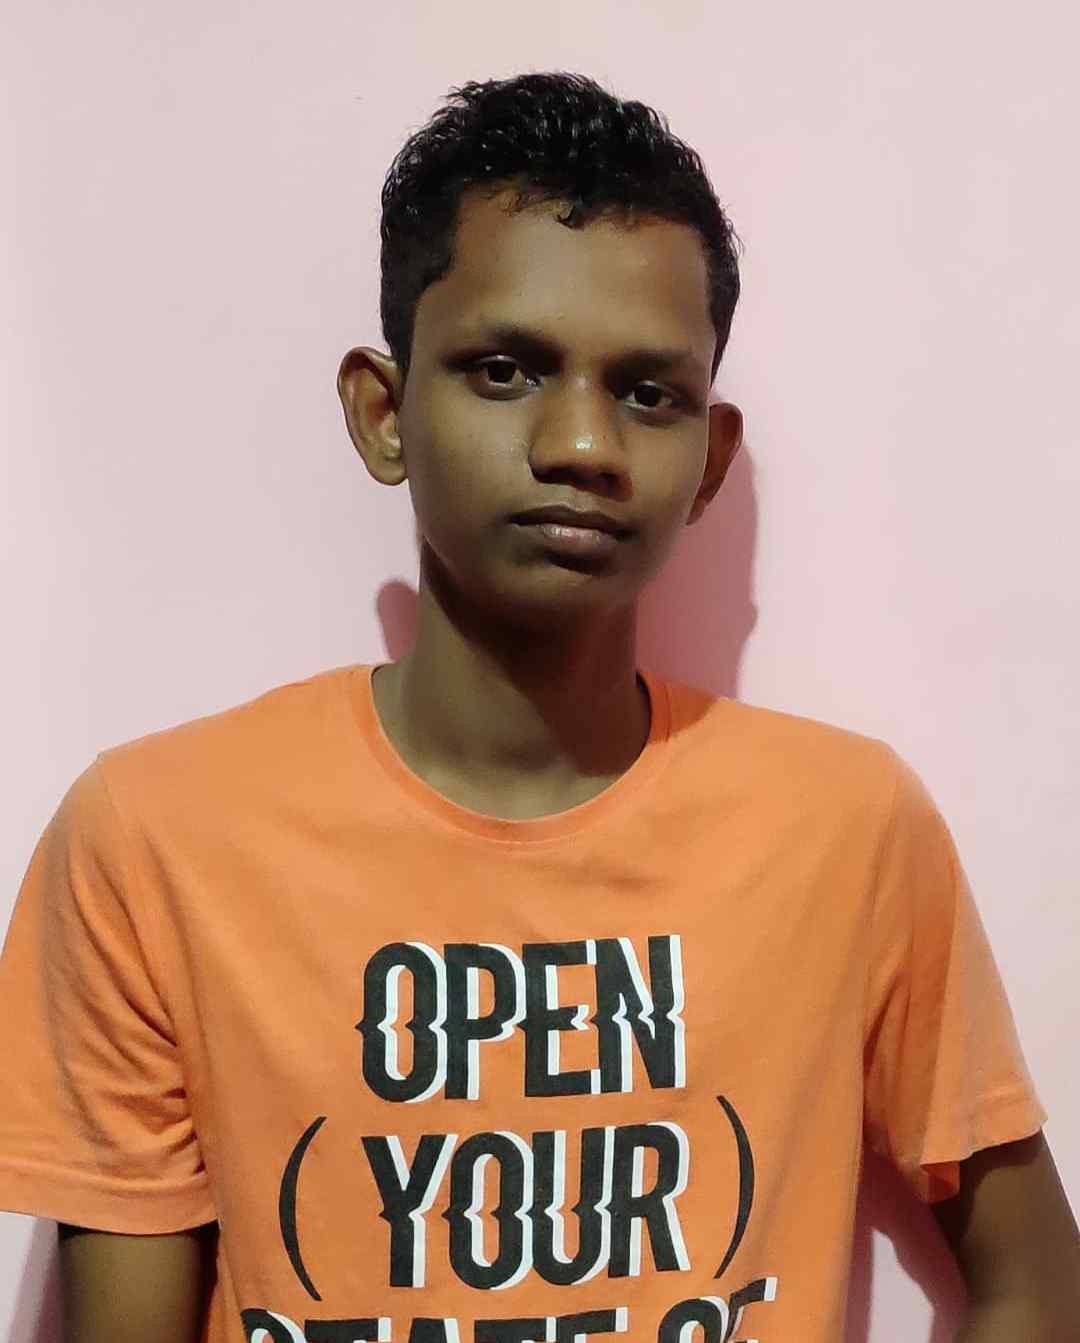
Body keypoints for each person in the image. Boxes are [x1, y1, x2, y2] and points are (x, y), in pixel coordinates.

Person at [0, 70, 1077, 1343]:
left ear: (710, 460)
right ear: (384, 412)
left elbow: (1039, 1280)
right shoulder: (154, 842)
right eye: (505, 369)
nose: (582, 446)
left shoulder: (848, 829)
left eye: (649, 391)